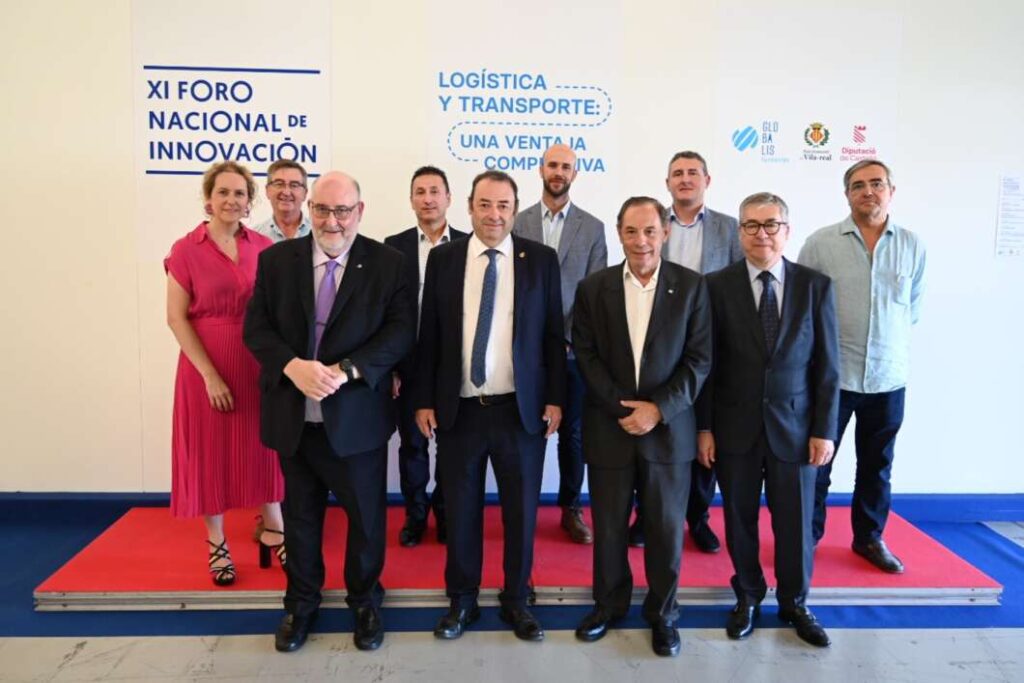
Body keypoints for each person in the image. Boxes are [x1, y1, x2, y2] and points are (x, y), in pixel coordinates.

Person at [243, 171, 414, 653]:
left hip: (356, 421)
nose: (331, 221)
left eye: (342, 210)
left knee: (366, 521)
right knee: (299, 520)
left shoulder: (389, 264)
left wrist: (348, 370)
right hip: (294, 421)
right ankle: (301, 604)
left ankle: (365, 602)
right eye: (321, 209)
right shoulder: (277, 261)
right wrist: (292, 366)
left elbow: (401, 332)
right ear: (308, 209)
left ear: (360, 211)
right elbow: (257, 329)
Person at [415, 170, 565, 642]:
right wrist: (423, 399)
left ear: (515, 210)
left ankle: (517, 599)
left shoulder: (540, 260)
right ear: (469, 207)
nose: (493, 215)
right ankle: (462, 601)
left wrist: (556, 398)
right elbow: (429, 334)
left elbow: (553, 335)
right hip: (459, 409)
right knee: (461, 511)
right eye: (484, 204)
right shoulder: (444, 259)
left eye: (503, 205)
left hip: (519, 411)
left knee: (521, 513)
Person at [697, 192, 840, 647]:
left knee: (795, 524)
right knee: (739, 519)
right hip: (733, 429)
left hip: (796, 430)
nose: (762, 234)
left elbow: (828, 367)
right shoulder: (715, 286)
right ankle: (748, 595)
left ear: (787, 230)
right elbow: (706, 365)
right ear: (740, 232)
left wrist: (824, 430)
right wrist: (704, 427)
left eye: (771, 224)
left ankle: (795, 602)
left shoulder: (816, 286)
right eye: (752, 225)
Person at [571, 197, 712, 657]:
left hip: (668, 431)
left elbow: (699, 360)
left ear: (665, 232)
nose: (641, 241)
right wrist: (622, 408)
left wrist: (657, 409)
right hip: (609, 428)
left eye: (650, 231)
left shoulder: (691, 287)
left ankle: (664, 615)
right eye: (631, 231)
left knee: (666, 530)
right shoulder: (594, 288)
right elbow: (585, 355)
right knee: (610, 527)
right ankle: (608, 605)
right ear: (619, 234)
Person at [799, 159, 926, 573]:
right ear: (847, 194)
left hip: (888, 377)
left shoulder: (912, 245)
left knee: (877, 465)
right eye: (858, 185)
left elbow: (911, 309)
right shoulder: (821, 244)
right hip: (831, 378)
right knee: (817, 464)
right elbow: (802, 309)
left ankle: (869, 538)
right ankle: (806, 536)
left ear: (891, 190)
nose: (867, 191)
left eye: (876, 183)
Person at [164, 160, 286, 588]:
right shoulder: (185, 250)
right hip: (205, 365)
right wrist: (210, 376)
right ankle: (217, 543)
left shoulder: (264, 248)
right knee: (209, 455)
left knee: (264, 449)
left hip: (256, 362)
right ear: (208, 198)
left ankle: (274, 529)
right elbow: (176, 318)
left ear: (250, 202)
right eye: (223, 192)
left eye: (239, 193)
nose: (231, 200)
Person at [629, 150, 743, 553]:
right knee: (652, 429)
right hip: (658, 346)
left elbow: (739, 282)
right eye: (677, 173)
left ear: (707, 181)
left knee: (704, 434)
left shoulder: (729, 229)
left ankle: (698, 517)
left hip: (710, 346)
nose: (685, 179)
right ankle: (646, 516)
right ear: (667, 183)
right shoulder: (653, 223)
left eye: (693, 172)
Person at [513, 143, 607, 545]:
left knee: (573, 434)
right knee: (525, 429)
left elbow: (595, 292)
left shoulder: (593, 228)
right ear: (540, 169)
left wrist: (569, 340)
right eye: (552, 165)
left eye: (566, 166)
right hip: (525, 351)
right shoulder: (517, 221)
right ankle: (522, 506)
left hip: (571, 350)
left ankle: (571, 507)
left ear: (575, 173)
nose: (558, 172)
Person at [384, 166, 468, 547]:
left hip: (455, 366)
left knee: (451, 446)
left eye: (435, 191)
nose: (428, 199)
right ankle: (415, 514)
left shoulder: (468, 245)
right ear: (411, 200)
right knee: (413, 446)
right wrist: (392, 367)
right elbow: (385, 311)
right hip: (410, 364)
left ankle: (446, 513)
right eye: (420, 192)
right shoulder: (393, 247)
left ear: (449, 198)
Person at [253, 160, 312, 243]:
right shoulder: (255, 237)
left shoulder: (318, 234)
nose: (286, 192)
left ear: (305, 193)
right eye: (279, 184)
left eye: (294, 185)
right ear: (267, 191)